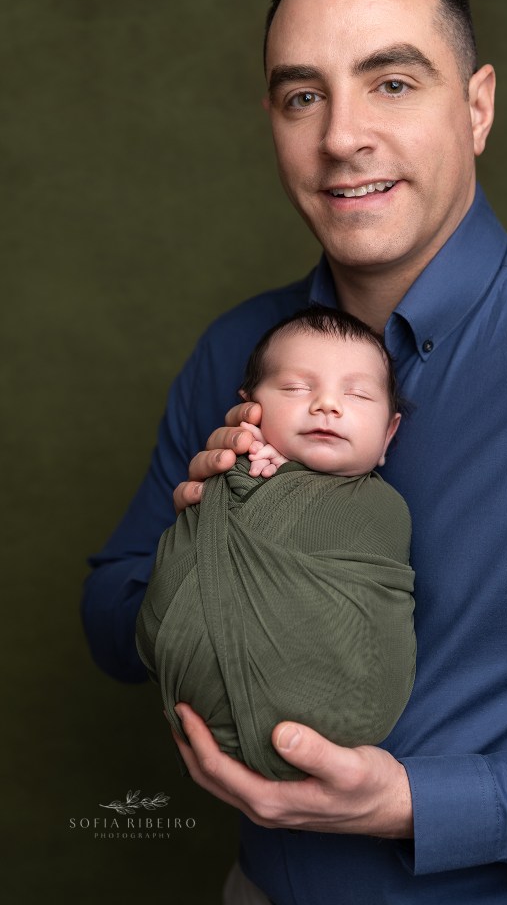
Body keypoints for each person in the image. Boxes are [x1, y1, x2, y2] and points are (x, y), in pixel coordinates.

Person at [82, 0, 507, 905]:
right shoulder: (236, 350)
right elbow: (110, 622)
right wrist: (204, 543)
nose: (340, 136)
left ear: (476, 106)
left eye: (391, 83)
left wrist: (414, 801)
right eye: (301, 95)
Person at [135, 305, 416, 782]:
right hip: (196, 685)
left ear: (388, 434)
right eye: (296, 388)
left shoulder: (384, 512)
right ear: (249, 410)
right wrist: (241, 476)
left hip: (348, 714)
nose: (327, 404)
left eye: (359, 394)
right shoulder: (231, 468)